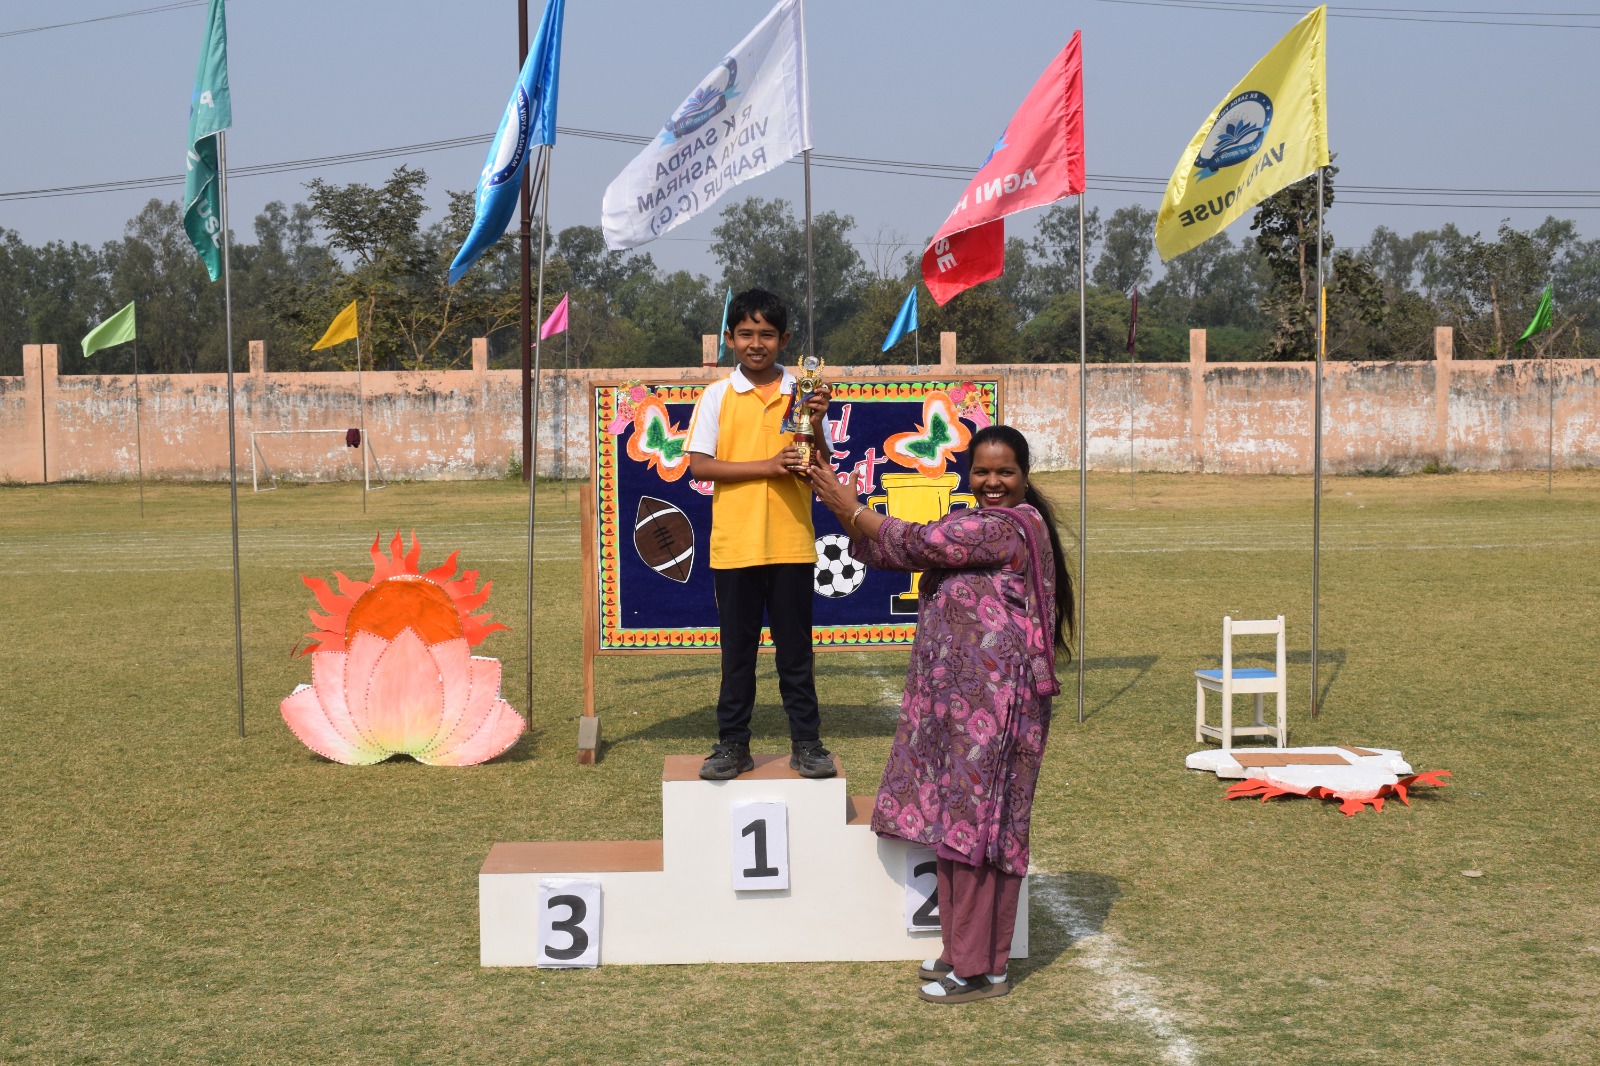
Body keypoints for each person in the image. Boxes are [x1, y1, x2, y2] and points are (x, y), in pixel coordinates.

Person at [808, 424, 1073, 1003]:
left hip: (998, 705)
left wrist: (850, 506)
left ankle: (978, 970)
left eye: (1005, 472)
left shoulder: (1004, 527)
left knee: (978, 827)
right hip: (967, 701)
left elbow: (918, 541)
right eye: (982, 471)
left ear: (1025, 475)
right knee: (960, 822)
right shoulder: (974, 521)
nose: (993, 482)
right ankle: (965, 953)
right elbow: (893, 549)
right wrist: (836, 491)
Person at [686, 288, 837, 781]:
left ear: (784, 340)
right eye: (746, 334)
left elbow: (821, 465)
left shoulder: (802, 392)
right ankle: (733, 744)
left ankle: (807, 744)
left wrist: (815, 424)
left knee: (796, 653)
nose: (756, 343)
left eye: (767, 334)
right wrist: (768, 466)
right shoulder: (717, 395)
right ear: (730, 339)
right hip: (736, 545)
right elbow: (700, 465)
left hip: (792, 543)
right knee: (738, 654)